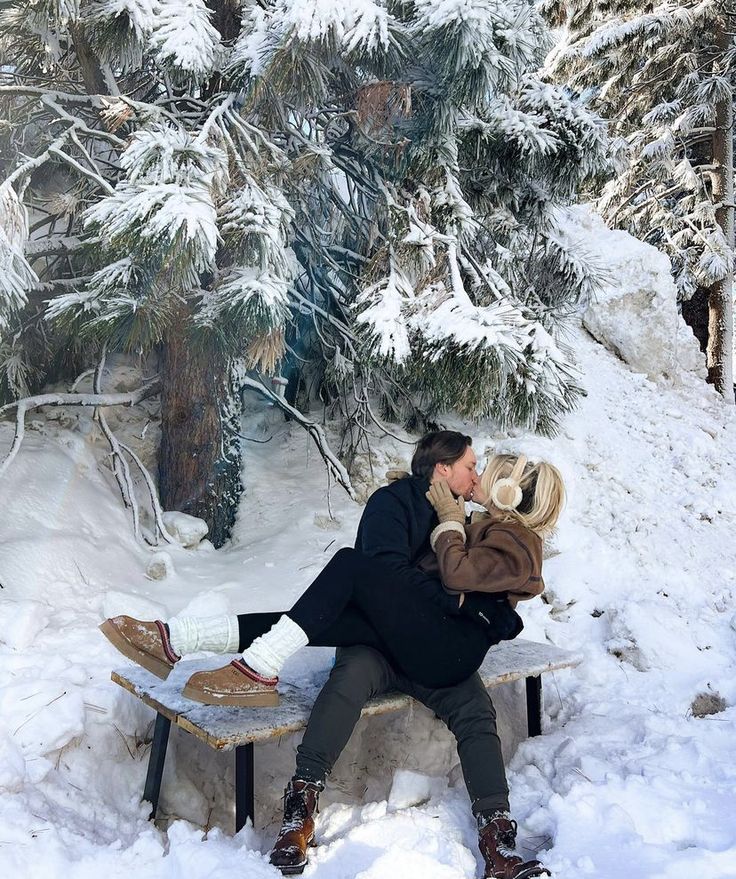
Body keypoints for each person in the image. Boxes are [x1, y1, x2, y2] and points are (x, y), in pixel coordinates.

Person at [100, 433, 563, 879]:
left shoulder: (475, 522)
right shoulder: (398, 504)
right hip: (387, 641)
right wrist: (471, 605)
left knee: (473, 708)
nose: (477, 474)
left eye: (482, 470)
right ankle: (298, 807)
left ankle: (498, 839)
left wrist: (478, 598)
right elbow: (388, 577)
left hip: (432, 645)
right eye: (471, 466)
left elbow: (475, 577)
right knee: (344, 675)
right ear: (444, 469)